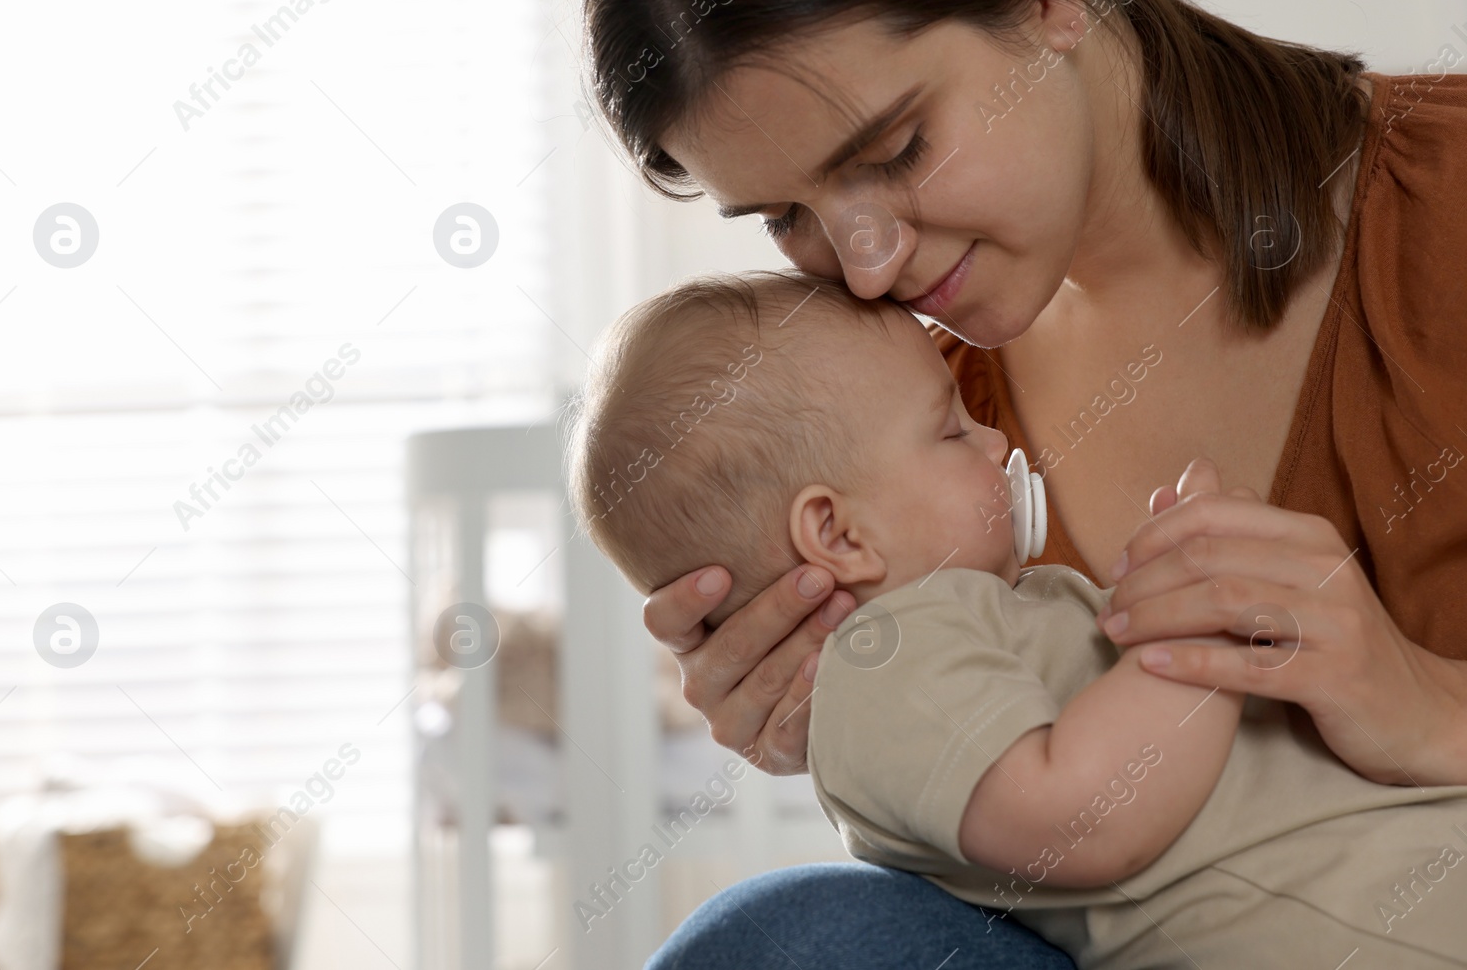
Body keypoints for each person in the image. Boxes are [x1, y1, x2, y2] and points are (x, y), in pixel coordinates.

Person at [576, 0, 1467, 965]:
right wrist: (856, 709)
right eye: (785, 216)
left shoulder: (1442, 209)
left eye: (897, 147)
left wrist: (1430, 706)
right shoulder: (903, 410)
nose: (863, 268)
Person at [564, 269, 1467, 967]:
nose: (997, 443)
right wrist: (1190, 634)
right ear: (837, 533)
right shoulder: (890, 655)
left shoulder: (967, 622)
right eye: (952, 432)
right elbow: (1079, 814)